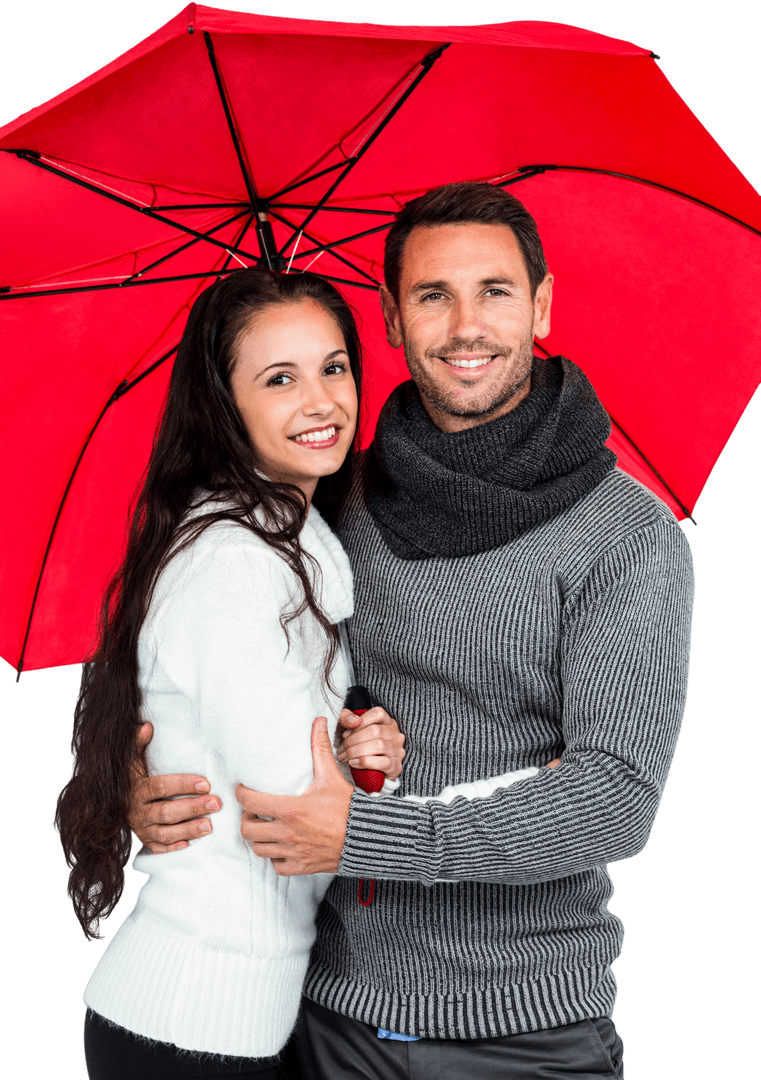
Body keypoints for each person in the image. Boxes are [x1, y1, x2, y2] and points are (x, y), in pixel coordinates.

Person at [130, 183, 695, 1079]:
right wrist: (163, 784)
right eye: (433, 295)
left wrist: (369, 836)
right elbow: (234, 674)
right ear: (390, 318)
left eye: (495, 291)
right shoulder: (329, 498)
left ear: (542, 305)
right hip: (320, 1014)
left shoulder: (624, 535)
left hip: (522, 1031)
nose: (465, 325)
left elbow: (613, 798)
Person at [53, 268, 409, 1078]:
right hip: (191, 1018)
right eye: (278, 378)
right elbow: (292, 811)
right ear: (225, 404)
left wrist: (363, 753)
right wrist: (385, 771)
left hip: (236, 1017)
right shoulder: (235, 565)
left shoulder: (290, 545)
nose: (320, 401)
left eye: (333, 365)